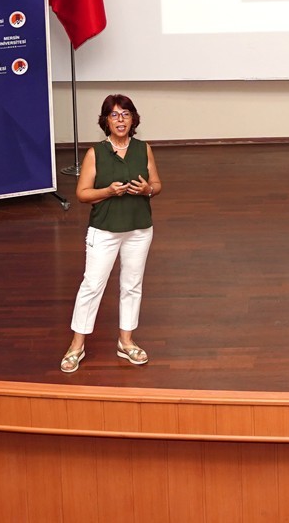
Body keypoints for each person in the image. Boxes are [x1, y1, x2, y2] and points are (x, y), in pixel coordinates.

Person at [60, 94, 163, 374]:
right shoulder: (95, 153)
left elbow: (156, 184)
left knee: (132, 285)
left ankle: (125, 341)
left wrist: (147, 190)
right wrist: (107, 191)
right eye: (114, 115)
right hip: (104, 230)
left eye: (126, 114)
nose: (120, 120)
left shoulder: (143, 149)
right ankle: (77, 346)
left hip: (139, 228)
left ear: (133, 119)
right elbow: (82, 194)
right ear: (106, 120)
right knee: (92, 285)